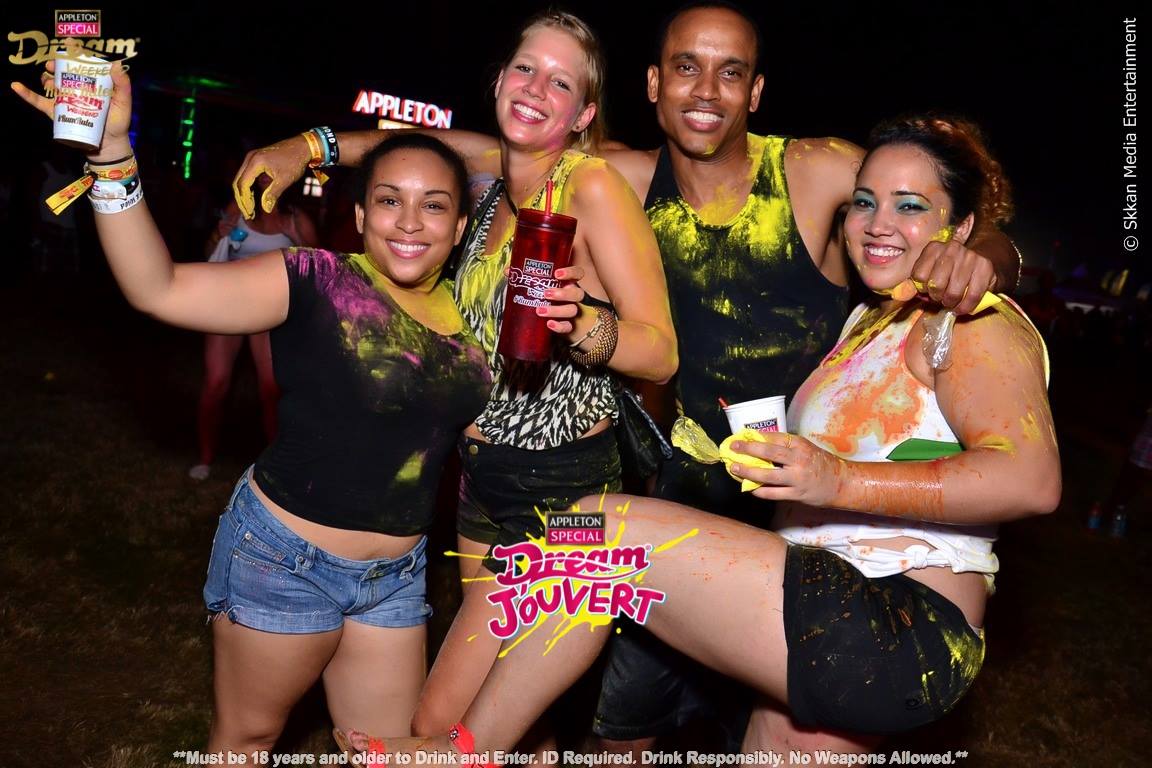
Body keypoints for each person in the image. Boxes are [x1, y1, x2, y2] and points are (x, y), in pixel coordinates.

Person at [339, 113, 1060, 761]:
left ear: (961, 228)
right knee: (584, 561)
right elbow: (509, 147)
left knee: (593, 532)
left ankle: (466, 748)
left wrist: (836, 479)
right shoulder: (871, 318)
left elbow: (1030, 480)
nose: (878, 223)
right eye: (865, 202)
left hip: (899, 625)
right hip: (822, 609)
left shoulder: (971, 321)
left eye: (911, 206)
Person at [12, 67, 493, 758]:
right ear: (361, 216)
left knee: (386, 750)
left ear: (461, 223)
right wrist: (113, 155)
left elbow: (530, 155)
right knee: (247, 739)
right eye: (390, 200)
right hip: (286, 559)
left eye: (434, 204)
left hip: (394, 579)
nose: (410, 222)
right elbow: (157, 288)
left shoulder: (476, 324)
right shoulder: (315, 280)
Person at [242, 11, 678, 743]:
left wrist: (582, 323)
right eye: (525, 68)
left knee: (447, 725)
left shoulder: (591, 186)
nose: (535, 88)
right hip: (481, 483)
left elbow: (660, 352)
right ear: (500, 79)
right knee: (507, 720)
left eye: (560, 82)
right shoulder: (494, 179)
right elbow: (404, 150)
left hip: (561, 489)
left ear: (583, 114)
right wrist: (306, 146)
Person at [189, 189, 317, 481]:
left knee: (271, 389)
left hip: (270, 308)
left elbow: (321, 269)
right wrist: (218, 235)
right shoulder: (239, 207)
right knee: (216, 381)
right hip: (229, 300)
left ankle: (276, 467)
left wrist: (297, 238)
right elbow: (210, 253)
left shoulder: (296, 218)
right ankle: (205, 458)